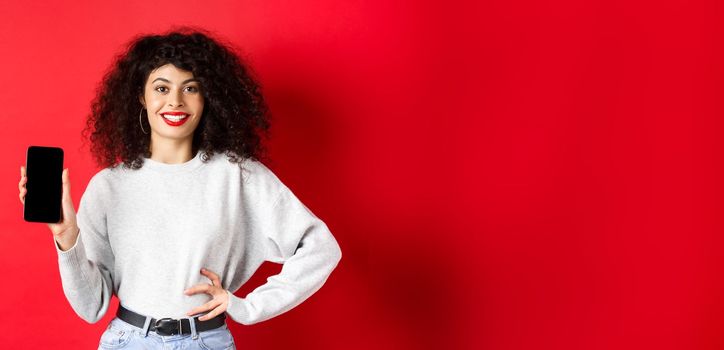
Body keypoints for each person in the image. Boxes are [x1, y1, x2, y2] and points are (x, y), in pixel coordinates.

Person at [17, 28, 342, 349]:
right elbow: (91, 307)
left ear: (207, 98)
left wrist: (247, 306)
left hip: (206, 341)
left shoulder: (238, 176)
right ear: (141, 97)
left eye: (191, 88)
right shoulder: (108, 187)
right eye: (161, 88)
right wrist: (66, 236)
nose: (175, 101)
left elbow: (320, 249)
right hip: (127, 342)